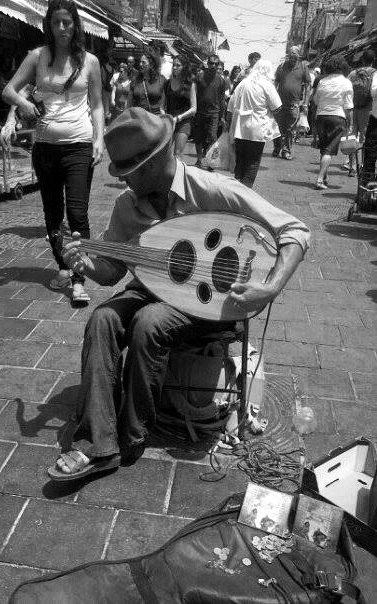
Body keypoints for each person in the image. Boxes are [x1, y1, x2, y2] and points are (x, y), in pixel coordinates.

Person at [46, 106, 309, 482]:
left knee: (148, 322)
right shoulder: (126, 206)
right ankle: (96, 445)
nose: (122, 182)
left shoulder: (214, 189)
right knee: (103, 318)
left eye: (126, 173)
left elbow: (296, 232)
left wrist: (268, 288)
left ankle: (131, 433)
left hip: (213, 304)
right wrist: (85, 264)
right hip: (150, 292)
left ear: (151, 164)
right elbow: (112, 271)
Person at [2, 0, 104, 303]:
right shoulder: (37, 57)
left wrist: (100, 139)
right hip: (45, 148)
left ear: (76, 26)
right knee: (52, 213)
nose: (62, 28)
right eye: (57, 22)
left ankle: (78, 277)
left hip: (80, 146)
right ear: (49, 25)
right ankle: (62, 266)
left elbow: (97, 104)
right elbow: (9, 89)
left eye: (67, 23)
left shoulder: (90, 61)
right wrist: (24, 105)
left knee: (77, 213)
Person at [227, 59, 282, 188]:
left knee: (241, 160)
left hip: (240, 128)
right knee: (253, 161)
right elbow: (277, 107)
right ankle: (246, 191)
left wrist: (227, 126)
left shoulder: (243, 83)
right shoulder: (267, 85)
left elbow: (230, 106)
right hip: (257, 129)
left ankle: (238, 190)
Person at [313, 56, 353, 190]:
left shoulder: (323, 81)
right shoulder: (346, 83)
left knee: (324, 149)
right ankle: (319, 179)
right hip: (337, 117)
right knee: (328, 150)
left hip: (321, 117)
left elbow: (316, 100)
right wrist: (350, 123)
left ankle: (324, 176)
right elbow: (348, 107)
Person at [273, 46, 311, 160]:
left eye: (294, 57)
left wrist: (305, 102)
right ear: (288, 56)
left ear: (298, 56)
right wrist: (272, 99)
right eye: (290, 56)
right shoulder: (281, 66)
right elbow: (276, 82)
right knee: (278, 127)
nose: (292, 59)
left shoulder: (303, 67)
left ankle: (286, 150)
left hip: (294, 103)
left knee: (290, 129)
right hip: (279, 103)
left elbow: (308, 85)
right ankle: (277, 146)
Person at [192, 54, 226, 169]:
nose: (213, 66)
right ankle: (199, 160)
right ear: (207, 63)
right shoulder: (199, 77)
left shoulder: (221, 81)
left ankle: (211, 162)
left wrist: (222, 116)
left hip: (214, 113)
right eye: (211, 63)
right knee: (198, 137)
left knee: (212, 137)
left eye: (216, 64)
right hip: (200, 112)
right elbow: (194, 95)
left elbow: (222, 100)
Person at [348, 49, 376, 177]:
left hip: (353, 107)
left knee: (352, 136)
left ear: (362, 59)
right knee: (365, 138)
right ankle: (364, 166)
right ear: (373, 60)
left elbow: (347, 89)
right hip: (368, 109)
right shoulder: (374, 73)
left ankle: (352, 166)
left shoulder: (353, 73)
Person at [164, 54, 196, 158]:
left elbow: (194, 109)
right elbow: (161, 105)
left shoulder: (190, 84)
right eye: (174, 65)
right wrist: (164, 115)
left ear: (184, 67)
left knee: (177, 155)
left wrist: (179, 118)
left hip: (184, 122)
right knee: (164, 153)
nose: (175, 67)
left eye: (178, 65)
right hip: (169, 121)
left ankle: (177, 174)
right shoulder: (168, 83)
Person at [128, 50, 166, 115]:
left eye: (143, 62)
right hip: (138, 119)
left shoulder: (161, 80)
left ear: (152, 64)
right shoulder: (135, 80)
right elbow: (129, 102)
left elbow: (163, 105)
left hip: (155, 119)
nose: (140, 64)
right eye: (140, 62)